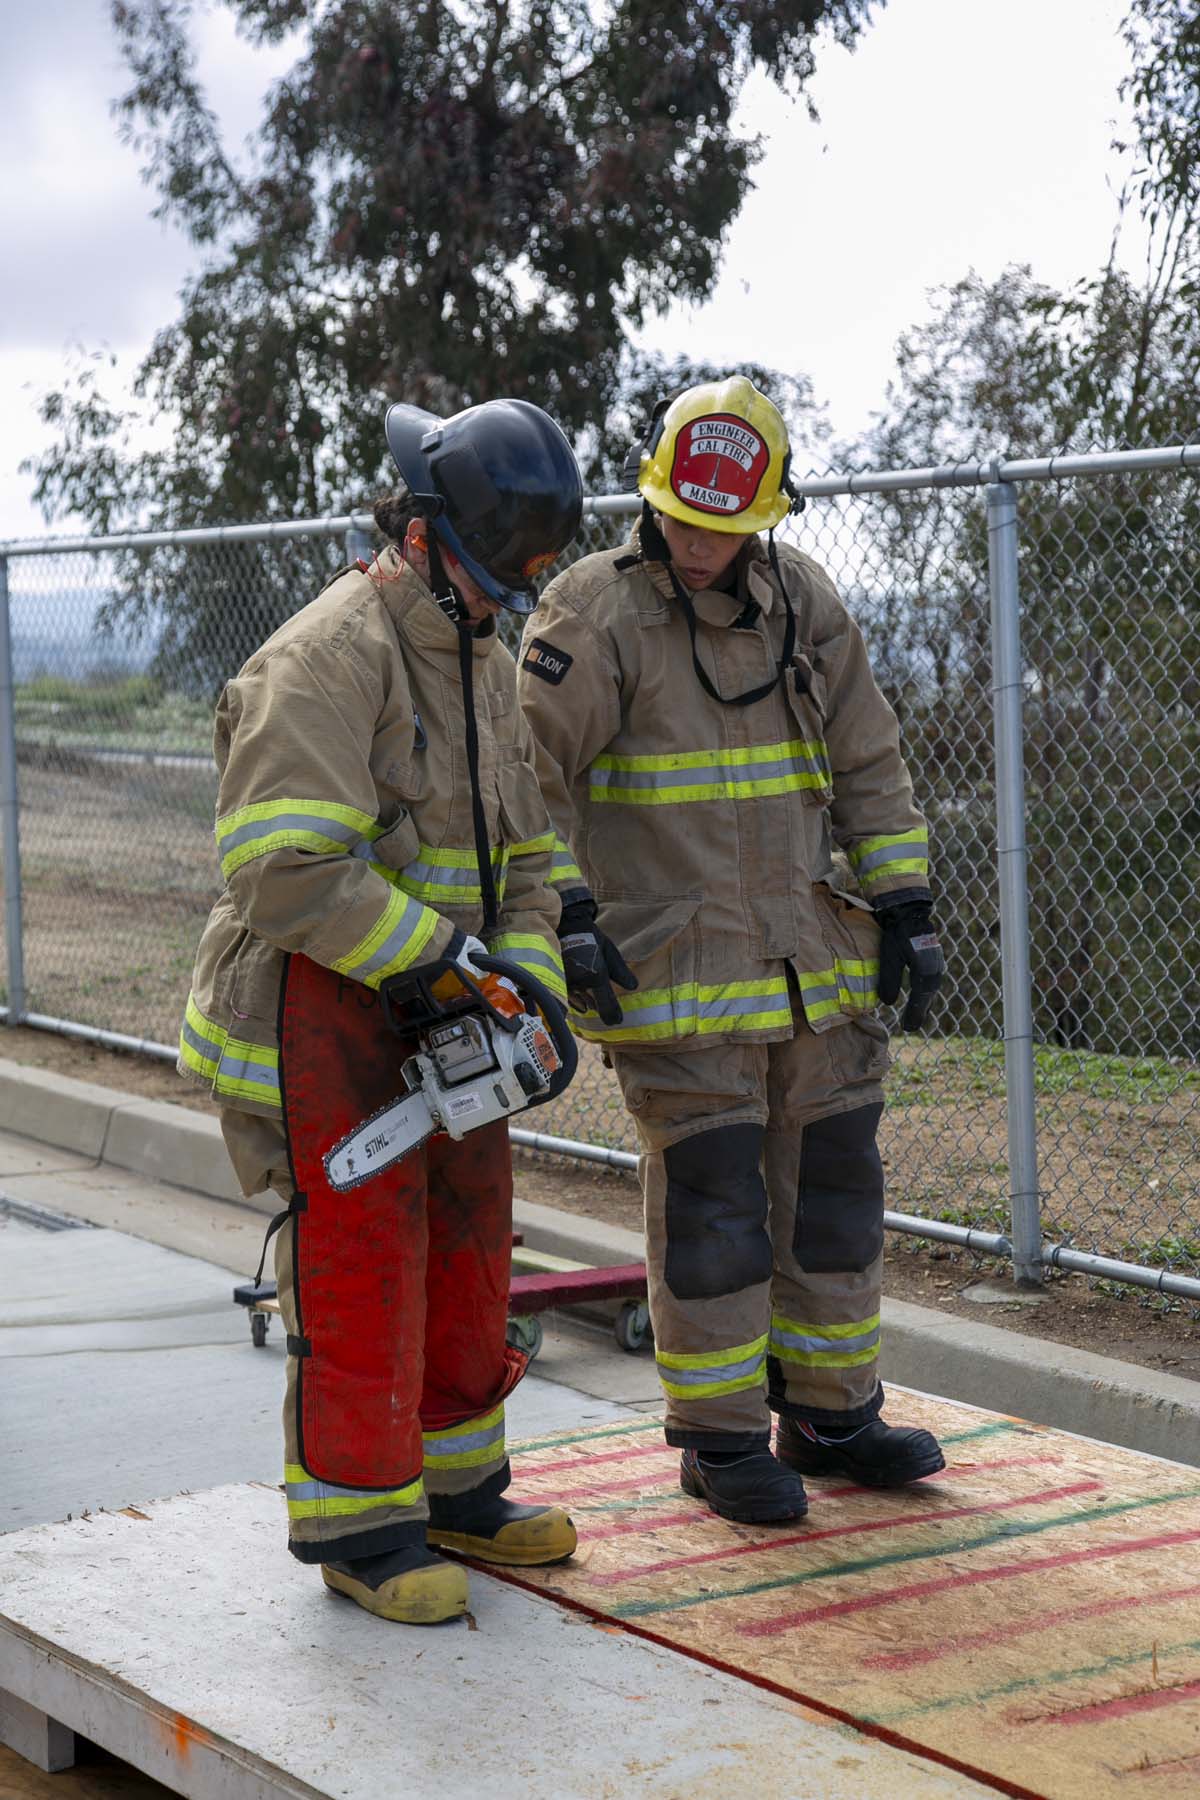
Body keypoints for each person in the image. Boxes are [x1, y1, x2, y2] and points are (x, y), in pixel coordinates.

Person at [179, 397, 584, 1621]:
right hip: (331, 1022)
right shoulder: (327, 656)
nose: (501, 604)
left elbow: (526, 857)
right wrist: (434, 963)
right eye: (487, 579)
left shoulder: (485, 658)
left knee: (469, 1256)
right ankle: (359, 1525)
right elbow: (284, 872)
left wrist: (531, 996)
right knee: (363, 1270)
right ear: (420, 535)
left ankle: (459, 1493)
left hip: (446, 1021)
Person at [516, 375, 946, 1526]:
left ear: (765, 516)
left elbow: (868, 758)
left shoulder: (802, 599)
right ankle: (717, 1438)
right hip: (676, 972)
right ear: (656, 499)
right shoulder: (591, 615)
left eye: (728, 526)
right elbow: (522, 782)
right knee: (714, 1208)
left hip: (813, 966)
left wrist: (905, 902)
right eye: (687, 519)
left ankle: (830, 1415)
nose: (703, 544)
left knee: (836, 1194)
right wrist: (563, 914)